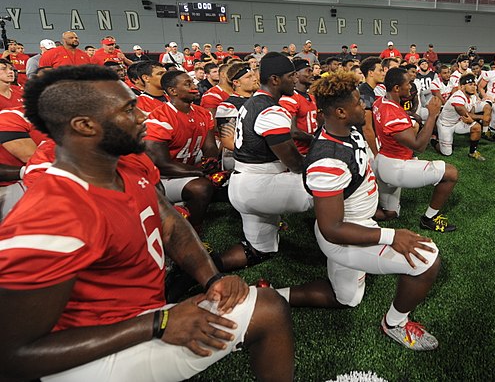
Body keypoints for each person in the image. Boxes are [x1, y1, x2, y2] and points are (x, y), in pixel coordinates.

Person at [0, 65, 294, 382]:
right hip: (89, 351)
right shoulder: (52, 213)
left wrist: (211, 277)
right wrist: (159, 323)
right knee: (268, 309)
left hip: (141, 312)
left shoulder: (125, 159)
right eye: (129, 110)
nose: (144, 118)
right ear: (85, 125)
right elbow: (14, 357)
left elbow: (167, 220)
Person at [272, 71, 441, 350]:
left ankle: (271, 295)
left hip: (356, 222)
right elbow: (332, 228)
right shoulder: (328, 160)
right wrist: (390, 235)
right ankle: (395, 323)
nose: (362, 105)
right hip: (344, 234)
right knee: (427, 260)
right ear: (340, 111)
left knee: (346, 298)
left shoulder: (344, 130)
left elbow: (356, 178)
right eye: (355, 102)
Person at [222, 53, 313, 270]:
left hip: (243, 183)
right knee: (329, 184)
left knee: (259, 251)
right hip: (259, 185)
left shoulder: (252, 102)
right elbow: (294, 163)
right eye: (290, 75)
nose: (294, 80)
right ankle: (344, 239)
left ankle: (194, 271)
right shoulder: (271, 109)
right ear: (275, 79)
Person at [372, 68, 458, 232]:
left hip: (382, 160)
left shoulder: (380, 102)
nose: (410, 87)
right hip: (396, 165)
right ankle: (429, 219)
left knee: (390, 213)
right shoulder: (392, 112)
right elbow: (419, 146)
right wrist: (432, 115)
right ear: (396, 88)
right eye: (408, 83)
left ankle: (356, 217)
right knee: (450, 173)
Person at [144, 70, 219, 231]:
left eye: (193, 82)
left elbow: (210, 146)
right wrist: (200, 172)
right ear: (173, 91)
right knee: (202, 187)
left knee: (222, 182)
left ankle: (182, 207)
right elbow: (162, 164)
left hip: (185, 171)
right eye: (188, 84)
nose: (195, 86)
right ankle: (193, 231)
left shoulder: (203, 114)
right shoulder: (159, 117)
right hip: (160, 179)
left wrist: (211, 161)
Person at [435, 74, 486, 160]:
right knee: (447, 153)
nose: (473, 87)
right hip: (446, 125)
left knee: (476, 127)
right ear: (462, 87)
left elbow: (471, 111)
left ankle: (472, 152)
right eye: (470, 85)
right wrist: (482, 117)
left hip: (458, 121)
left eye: (474, 85)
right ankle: (433, 139)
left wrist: (472, 119)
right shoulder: (458, 96)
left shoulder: (472, 96)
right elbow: (465, 114)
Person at [279, 59, 319, 155]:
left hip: (312, 151)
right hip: (298, 153)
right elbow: (293, 132)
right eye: (308, 71)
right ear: (296, 74)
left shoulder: (312, 97)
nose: (312, 74)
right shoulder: (290, 98)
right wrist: (315, 139)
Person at [357, 57, 386, 155]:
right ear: (371, 73)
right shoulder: (365, 94)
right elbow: (367, 128)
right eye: (380, 70)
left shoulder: (368, 91)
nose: (383, 73)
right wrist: (376, 153)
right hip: (364, 144)